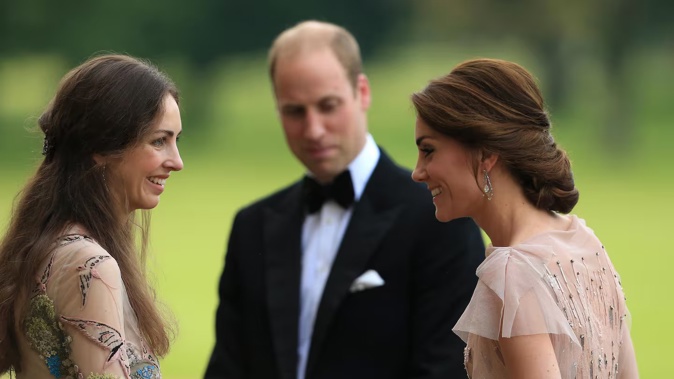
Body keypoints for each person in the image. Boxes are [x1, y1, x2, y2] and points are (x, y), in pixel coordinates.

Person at [204, 20, 485, 379]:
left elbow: (445, 368)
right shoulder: (251, 225)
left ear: (362, 92)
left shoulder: (440, 217)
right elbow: (227, 369)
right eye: (294, 111)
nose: (313, 129)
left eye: (328, 105)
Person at [410, 58, 639, 378]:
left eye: (429, 151)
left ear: (486, 153)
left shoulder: (513, 271)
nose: (417, 172)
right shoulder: (584, 242)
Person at [0, 54, 184, 379]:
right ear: (102, 148)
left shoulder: (51, 244)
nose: (177, 161)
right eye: (159, 141)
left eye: (175, 141)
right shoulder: (90, 266)